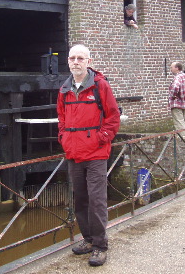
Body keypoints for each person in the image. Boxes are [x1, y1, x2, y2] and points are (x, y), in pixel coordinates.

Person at [57, 44, 121, 267]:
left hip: (95, 153)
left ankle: (100, 246)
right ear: (68, 61)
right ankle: (87, 239)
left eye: (80, 58)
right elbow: (62, 119)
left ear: (88, 61)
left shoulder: (99, 86)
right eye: (73, 58)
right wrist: (64, 138)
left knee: (97, 200)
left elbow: (113, 117)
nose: (76, 62)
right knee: (80, 199)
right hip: (74, 152)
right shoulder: (64, 90)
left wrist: (101, 138)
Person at [168, 61, 185, 137]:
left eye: (171, 67)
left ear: (177, 68)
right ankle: (180, 137)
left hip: (177, 103)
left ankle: (183, 140)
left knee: (179, 122)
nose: (171, 69)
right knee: (181, 121)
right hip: (184, 103)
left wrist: (173, 96)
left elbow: (175, 88)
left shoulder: (178, 77)